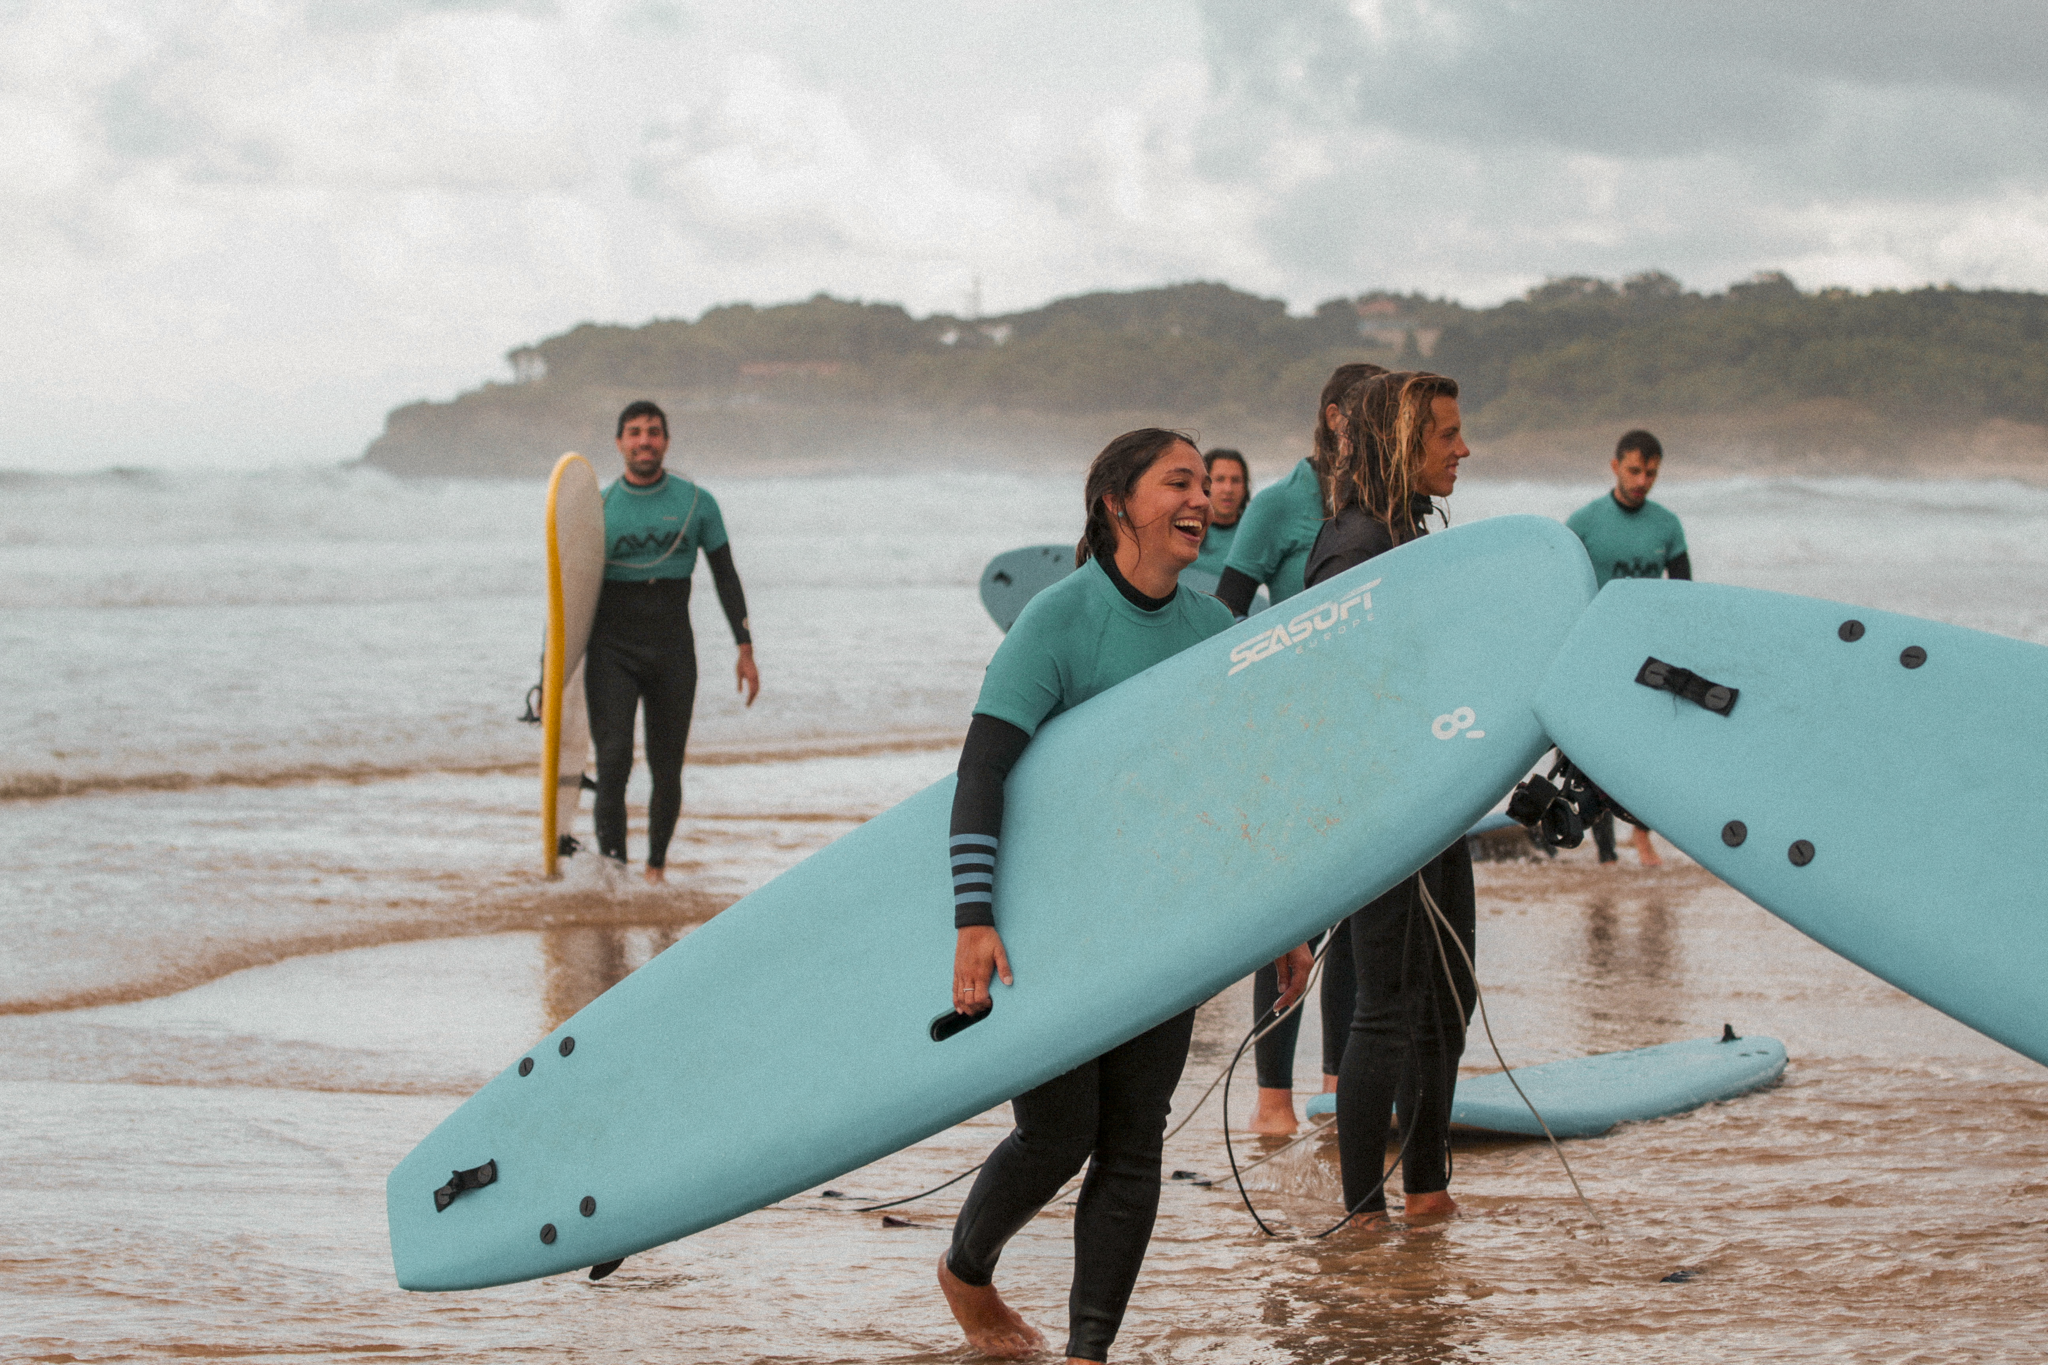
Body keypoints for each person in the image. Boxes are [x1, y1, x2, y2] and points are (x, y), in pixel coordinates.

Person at [938, 429, 1314, 1363]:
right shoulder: (1059, 621)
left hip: (1159, 923)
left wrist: (1283, 918)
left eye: (1203, 484)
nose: (1200, 500)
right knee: (1057, 1135)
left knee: (1136, 1136)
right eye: (1176, 482)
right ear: (1117, 504)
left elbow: (1242, 789)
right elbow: (982, 772)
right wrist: (975, 918)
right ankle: (966, 1268)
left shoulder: (1211, 632)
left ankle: (1088, 1352)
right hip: (1053, 923)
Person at [1302, 370, 1477, 1226]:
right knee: (1386, 1007)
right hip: (1380, 805)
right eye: (1446, 433)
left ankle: (1428, 1189)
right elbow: (1333, 694)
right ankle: (1364, 1211)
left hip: (1433, 796)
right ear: (1404, 440)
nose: (1463, 448)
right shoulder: (1356, 546)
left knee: (1447, 995)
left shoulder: (1404, 530)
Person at [1215, 363, 1383, 1136]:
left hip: (1361, 730)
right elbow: (1225, 615)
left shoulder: (1383, 506)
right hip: (1291, 733)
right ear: (1338, 416)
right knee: (1292, 919)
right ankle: (1273, 1102)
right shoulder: (1280, 504)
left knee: (1353, 916)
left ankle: (1337, 1089)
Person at [586, 400, 760, 885]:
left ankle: (655, 871)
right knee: (614, 761)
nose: (645, 440)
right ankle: (615, 876)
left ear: (666, 440)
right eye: (635, 432)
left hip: (672, 652)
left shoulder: (697, 503)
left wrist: (745, 649)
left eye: (654, 431)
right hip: (611, 652)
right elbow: (568, 593)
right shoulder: (596, 508)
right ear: (619, 442)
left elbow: (726, 576)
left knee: (667, 768)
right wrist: (549, 668)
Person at [1564, 429, 1690, 868]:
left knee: (1649, 749)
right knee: (1591, 752)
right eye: (1634, 471)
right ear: (1615, 466)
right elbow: (1560, 586)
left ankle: (1641, 834)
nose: (1642, 482)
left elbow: (1684, 595)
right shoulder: (1585, 522)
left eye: (1650, 474)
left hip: (1648, 653)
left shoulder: (1667, 525)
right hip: (1594, 649)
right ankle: (1605, 853)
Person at [1189, 448, 1248, 578]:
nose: (1228, 489)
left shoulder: (1253, 535)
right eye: (1220, 479)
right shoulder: (1183, 531)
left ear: (1245, 487)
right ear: (1203, 484)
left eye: (1235, 480)